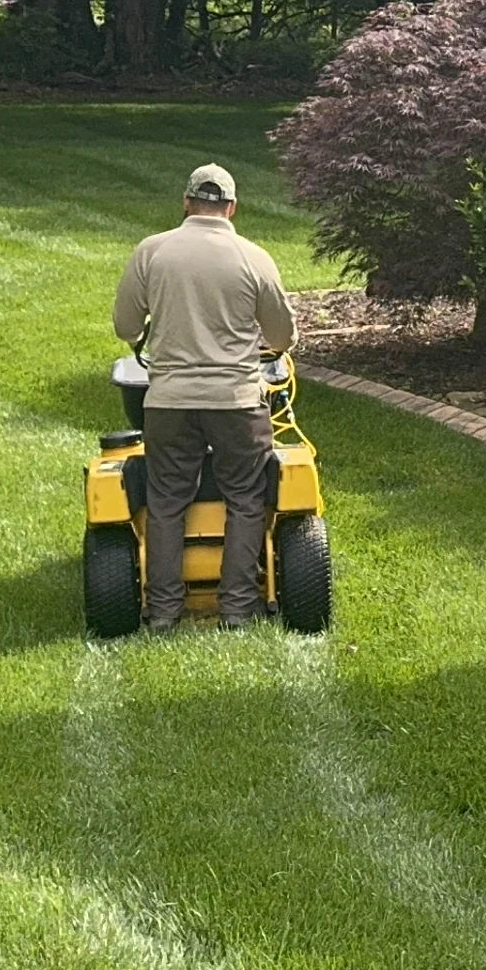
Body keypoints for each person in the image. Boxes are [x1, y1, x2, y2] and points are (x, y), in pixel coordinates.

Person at [112, 163, 297, 632]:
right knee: (247, 498)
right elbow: (283, 334)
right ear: (232, 208)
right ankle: (237, 607)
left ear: (186, 202)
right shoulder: (253, 257)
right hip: (236, 400)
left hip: (169, 400)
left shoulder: (151, 252)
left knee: (166, 500)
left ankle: (164, 609)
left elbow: (126, 328)